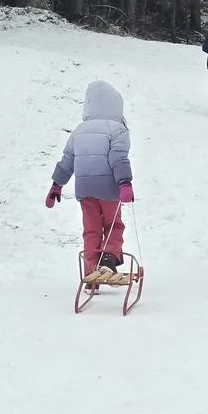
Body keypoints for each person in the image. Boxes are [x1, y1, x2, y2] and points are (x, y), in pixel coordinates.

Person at [46, 80, 135, 277]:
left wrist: (56, 186)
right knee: (114, 224)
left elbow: (67, 160)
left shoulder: (79, 130)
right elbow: (118, 158)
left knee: (91, 229)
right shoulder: (118, 129)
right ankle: (108, 259)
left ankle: (90, 272)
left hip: (85, 188)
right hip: (109, 188)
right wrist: (125, 183)